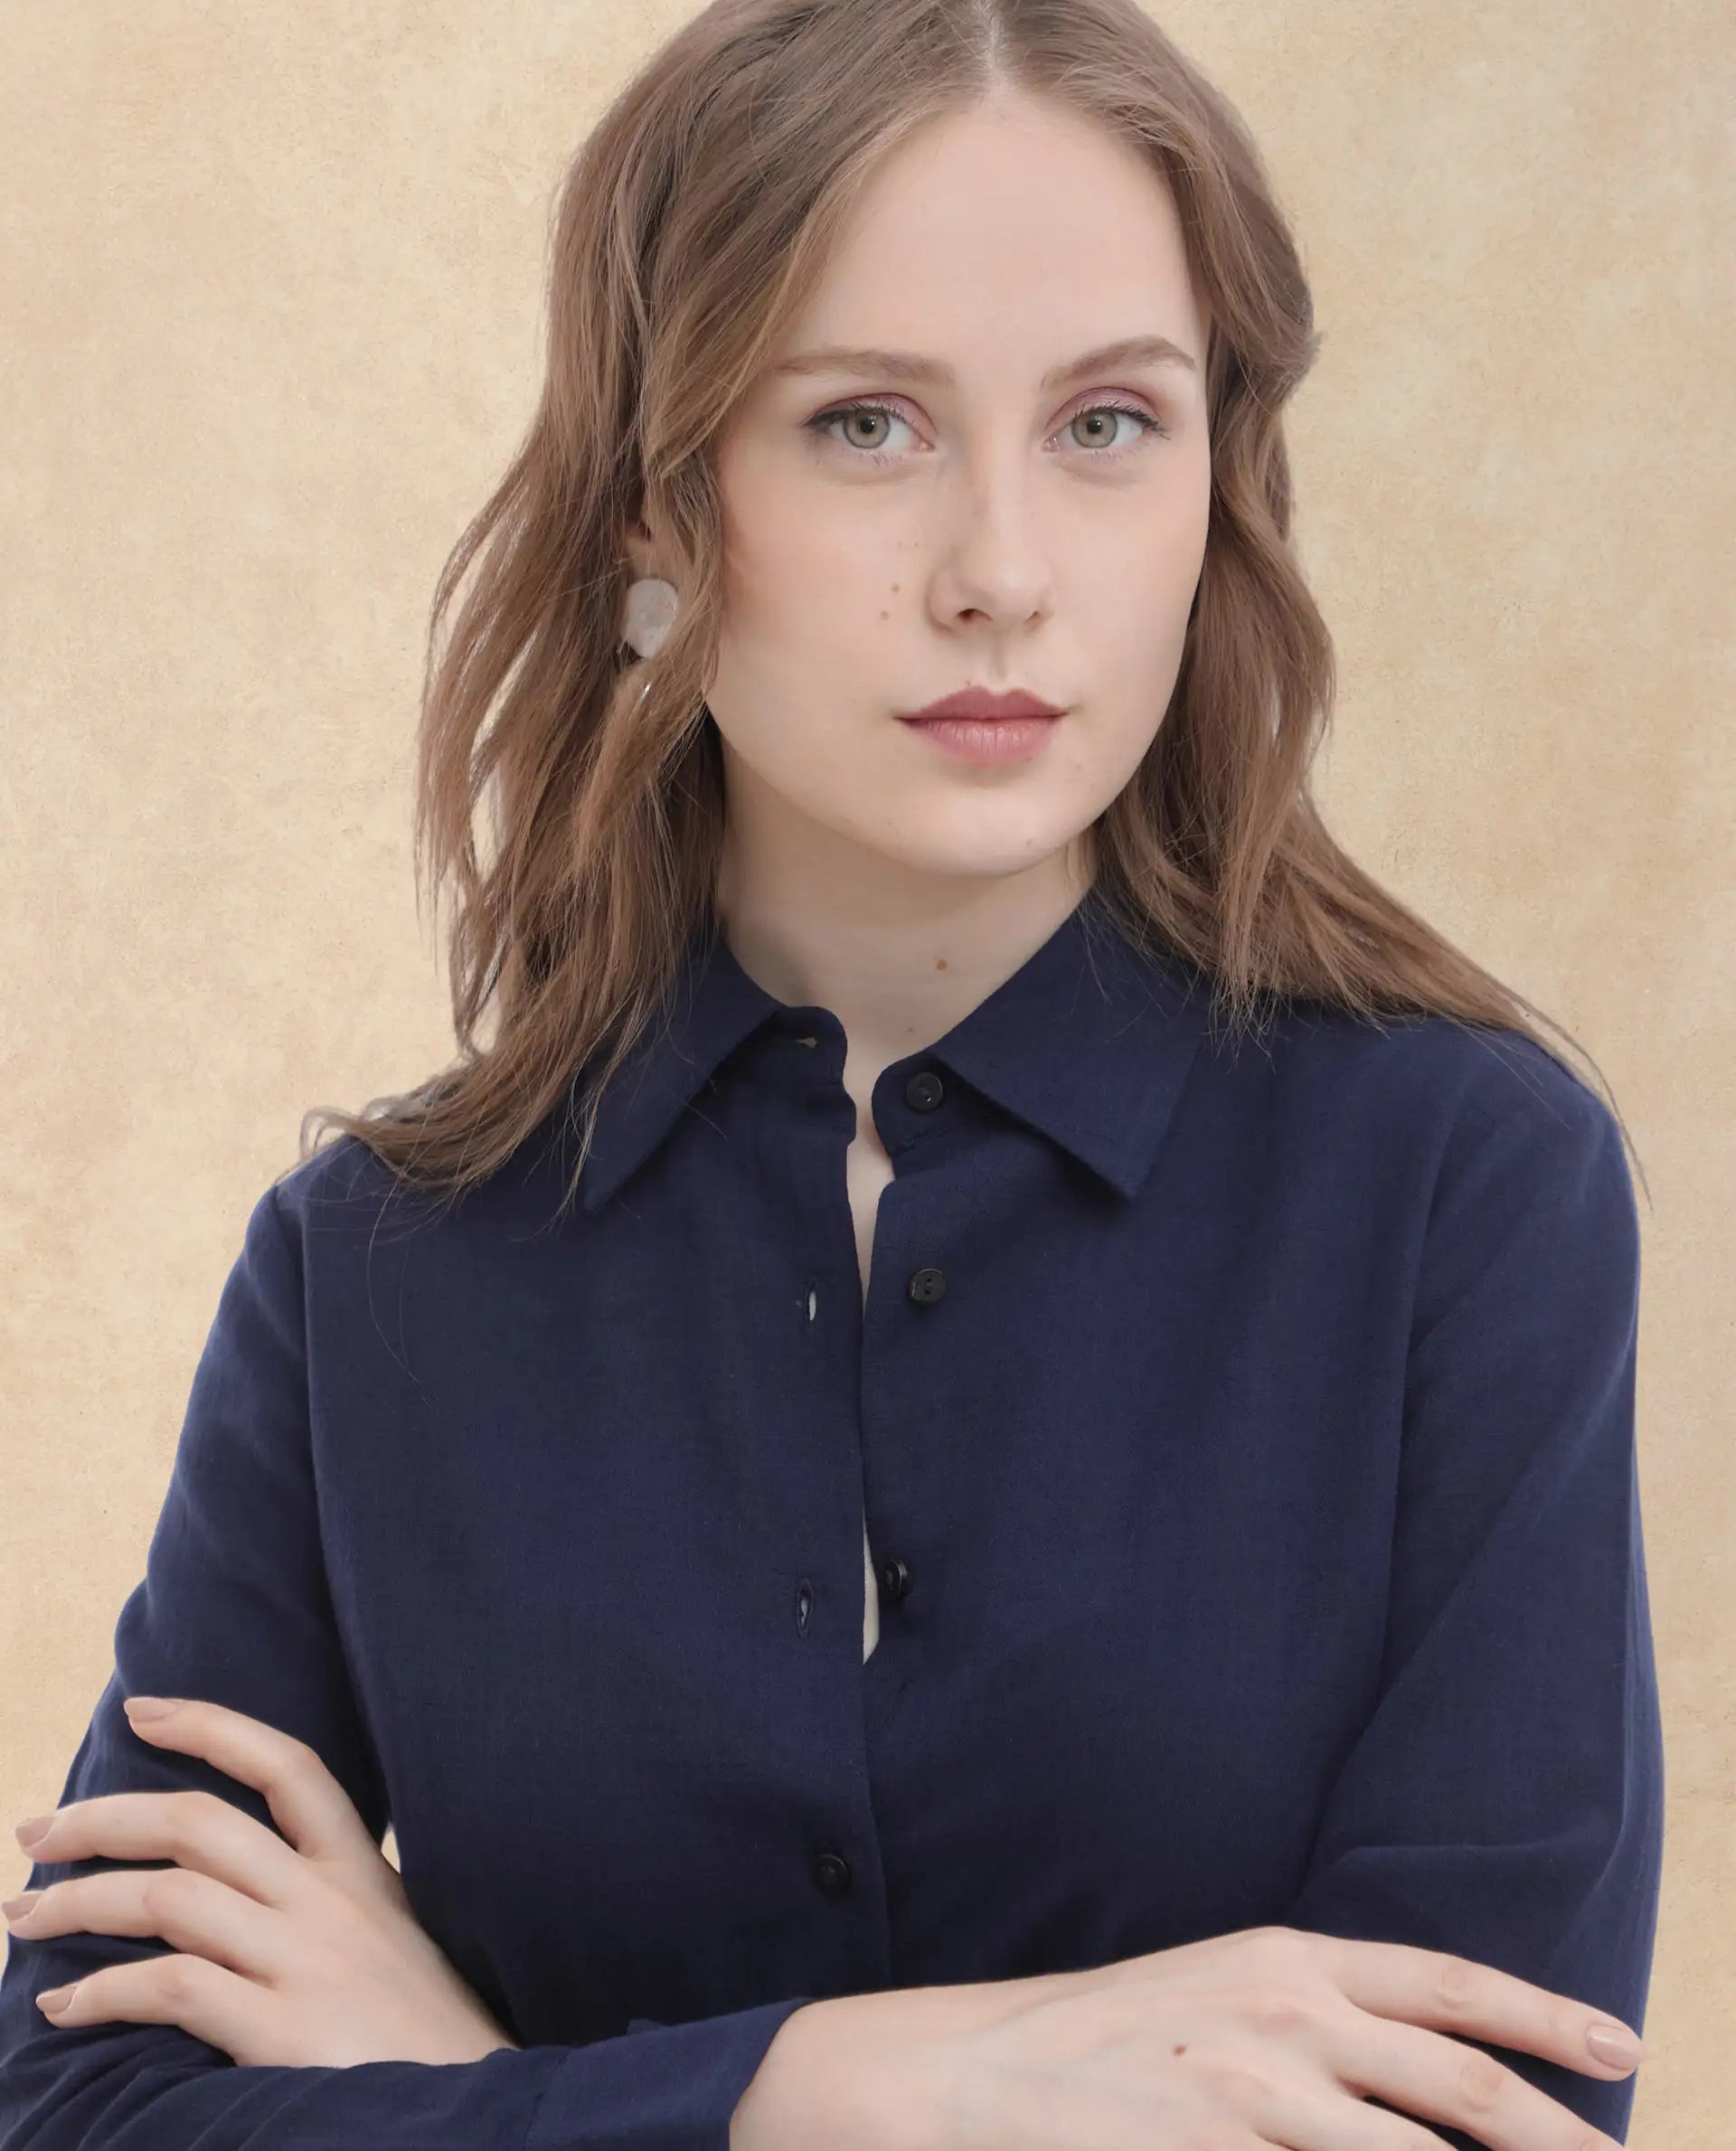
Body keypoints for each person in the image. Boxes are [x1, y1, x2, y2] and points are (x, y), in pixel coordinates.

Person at [0, 1, 1663, 2146]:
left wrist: (474, 2084)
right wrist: (846, 2085)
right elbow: (79, 2103)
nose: (1002, 574)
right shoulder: (370, 1277)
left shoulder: (1466, 1187)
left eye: (1109, 422)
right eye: (868, 423)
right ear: (651, 506)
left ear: (1220, 483)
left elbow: (1488, 2114)